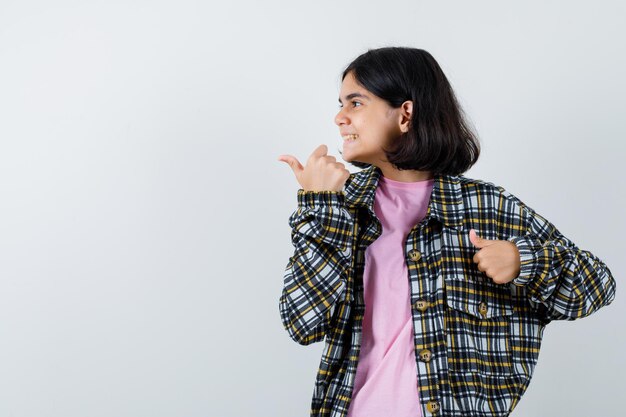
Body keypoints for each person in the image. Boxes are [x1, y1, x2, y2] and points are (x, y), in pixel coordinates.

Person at [276, 47, 616, 417]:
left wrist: (524, 262)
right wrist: (322, 206)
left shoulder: (487, 209)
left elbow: (597, 285)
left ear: (405, 114)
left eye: (355, 103)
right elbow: (302, 323)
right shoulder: (342, 206)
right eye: (341, 104)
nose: (339, 117)